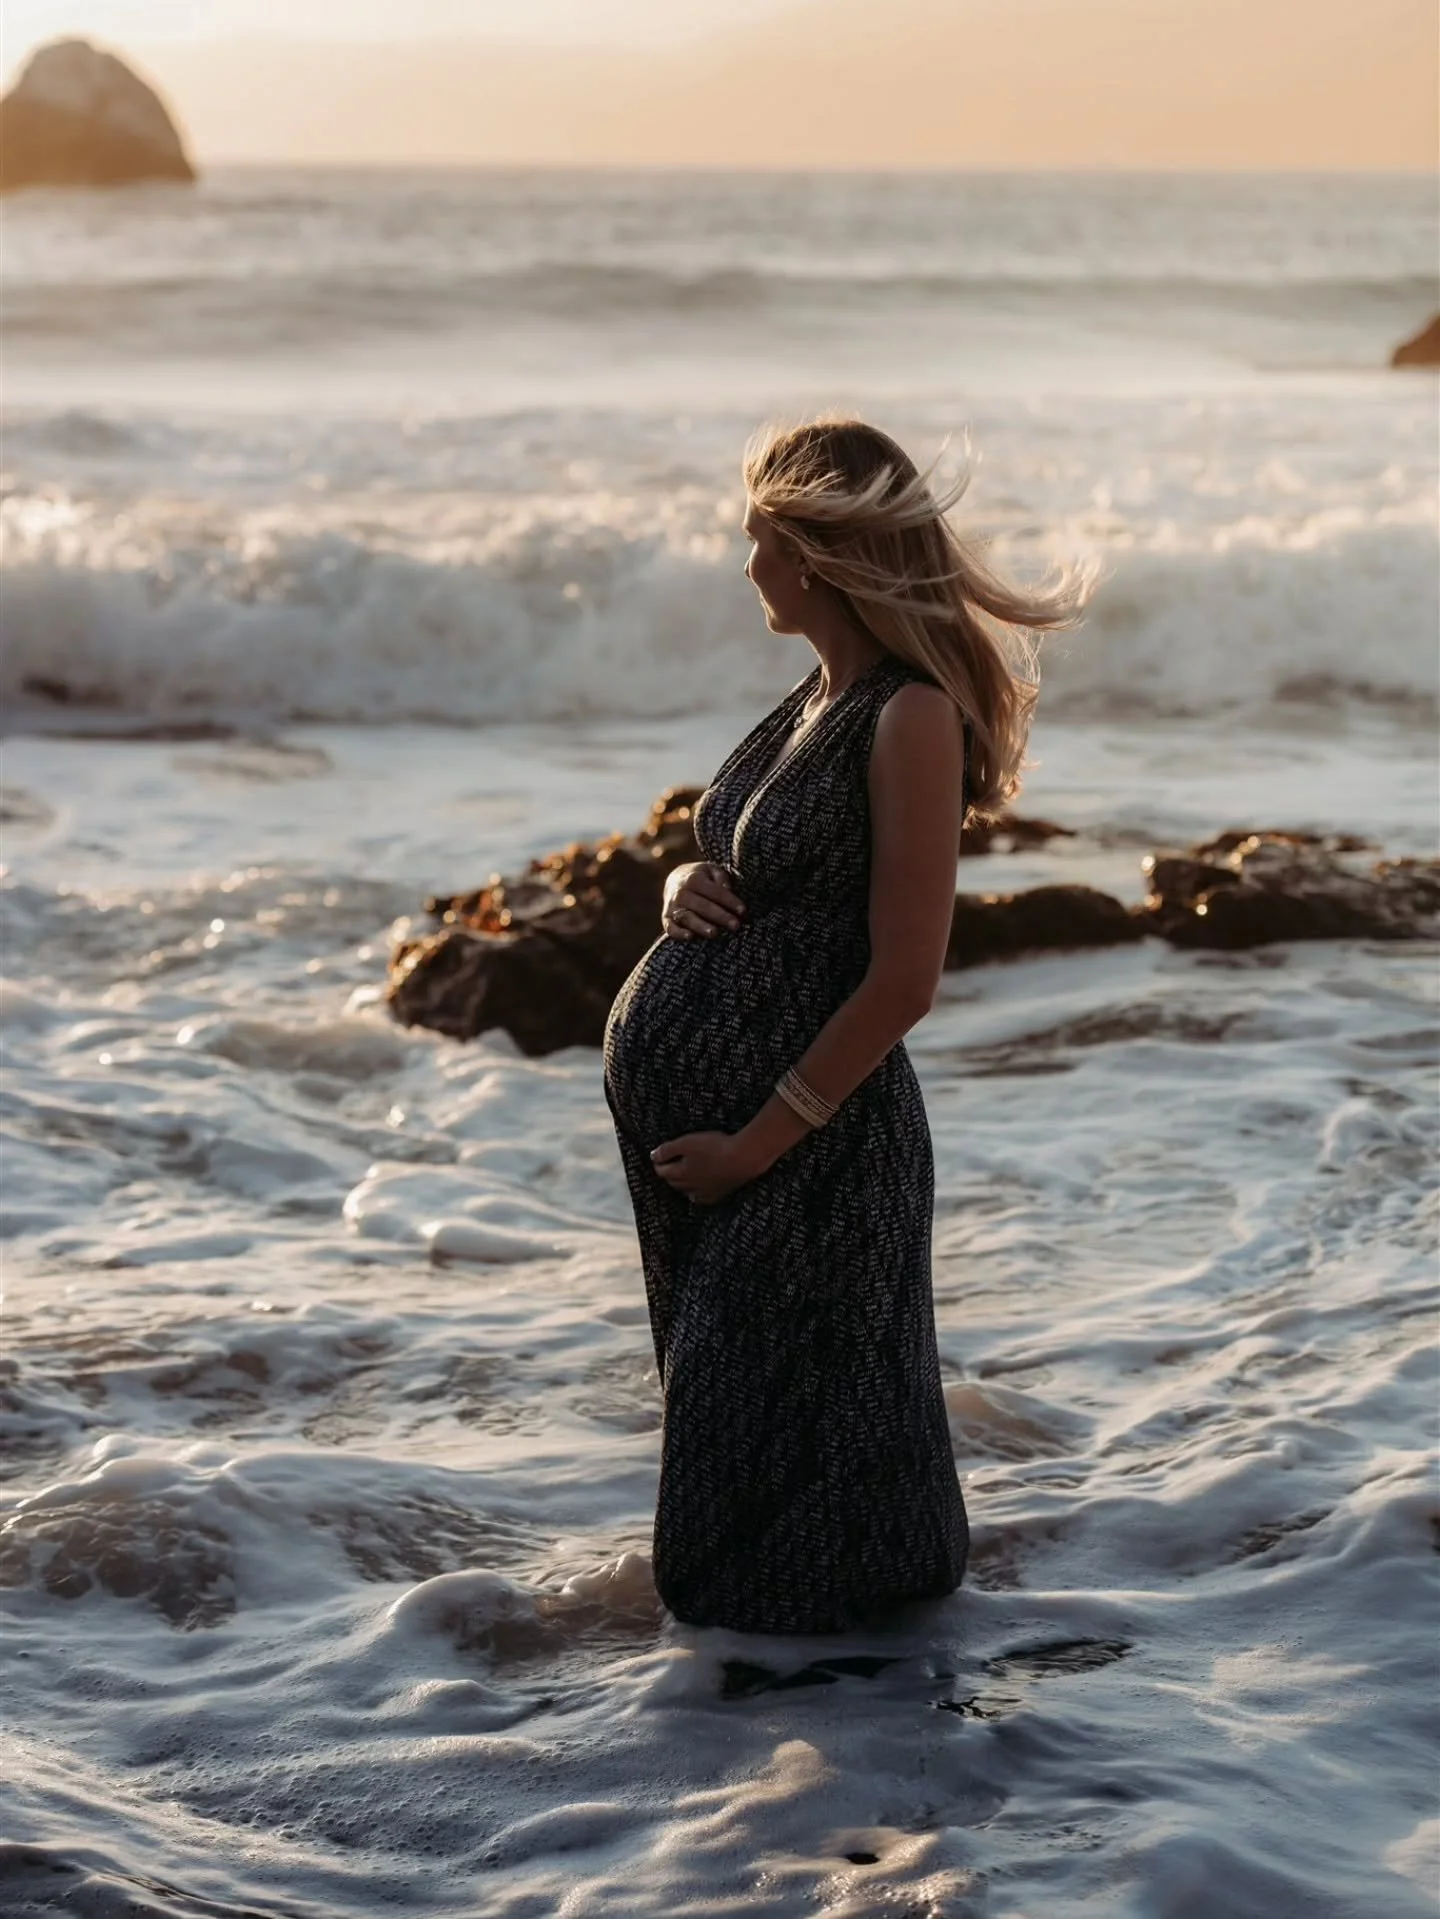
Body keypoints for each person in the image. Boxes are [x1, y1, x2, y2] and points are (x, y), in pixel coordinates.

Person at [602, 414, 1092, 1635]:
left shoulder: (910, 714)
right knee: (748, 1455)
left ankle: (855, 1735)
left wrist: (755, 1144)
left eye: (755, 537)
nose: (746, 564)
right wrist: (681, 886)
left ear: (813, 550)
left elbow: (905, 976)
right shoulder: (817, 697)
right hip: (739, 1162)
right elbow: (749, 857)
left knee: (788, 1494)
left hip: (815, 1156)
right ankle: (787, 1725)